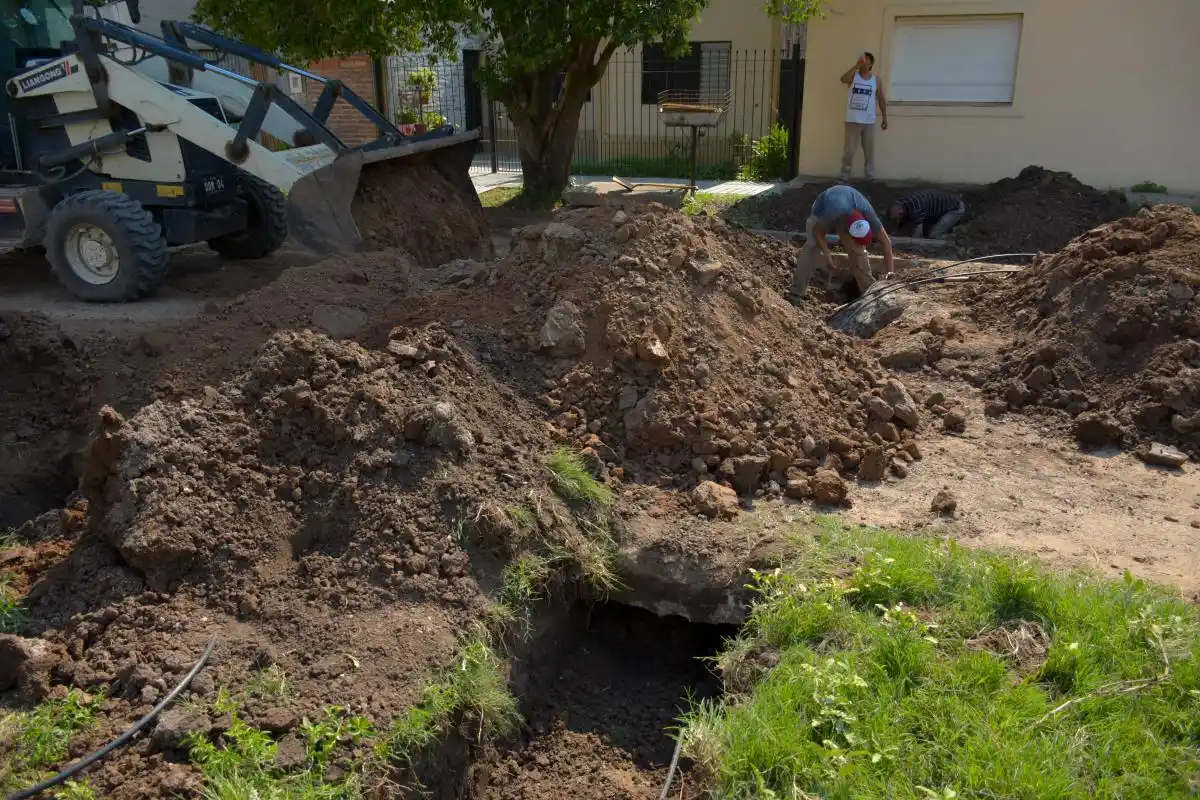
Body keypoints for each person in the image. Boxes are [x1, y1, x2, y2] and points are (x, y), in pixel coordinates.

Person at [791, 184, 895, 304]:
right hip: (821, 210)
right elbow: (817, 231)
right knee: (812, 246)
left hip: (848, 209)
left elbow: (887, 244)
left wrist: (890, 274)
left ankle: (870, 296)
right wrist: (827, 254)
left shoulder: (869, 214)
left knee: (858, 252)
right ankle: (796, 293)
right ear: (846, 231)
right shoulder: (831, 213)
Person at [839, 52, 888, 181]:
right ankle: (844, 175)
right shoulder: (853, 76)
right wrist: (855, 66)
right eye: (861, 60)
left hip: (868, 121)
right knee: (849, 150)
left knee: (869, 150)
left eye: (865, 60)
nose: (862, 62)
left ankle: (870, 176)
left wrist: (884, 117)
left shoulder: (876, 80)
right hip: (852, 120)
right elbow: (843, 79)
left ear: (871, 64)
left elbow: (881, 98)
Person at [889, 189, 967, 239]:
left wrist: (912, 242)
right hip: (943, 208)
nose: (897, 221)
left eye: (897, 219)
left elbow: (919, 232)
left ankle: (955, 235)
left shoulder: (916, 208)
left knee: (933, 235)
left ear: (901, 213)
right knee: (927, 228)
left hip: (955, 210)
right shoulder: (905, 202)